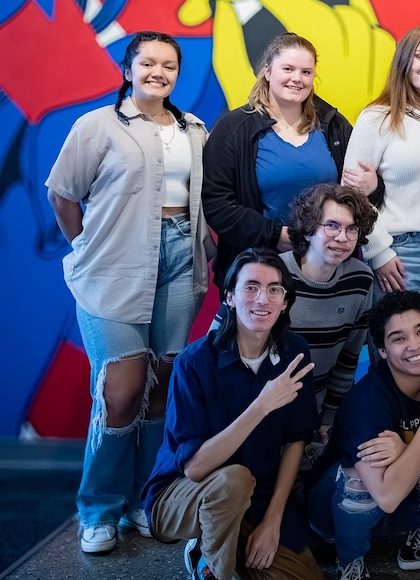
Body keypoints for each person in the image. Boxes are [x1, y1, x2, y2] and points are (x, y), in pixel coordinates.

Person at [46, 31, 211, 554]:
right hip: (114, 266)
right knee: (120, 392)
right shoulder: (96, 126)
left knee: (161, 385)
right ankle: (99, 510)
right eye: (147, 63)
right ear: (128, 69)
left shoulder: (194, 131)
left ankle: (146, 500)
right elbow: (63, 193)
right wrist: (87, 247)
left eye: (168, 65)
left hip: (181, 259)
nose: (157, 72)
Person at [141, 248, 321, 580]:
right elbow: (195, 468)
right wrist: (261, 406)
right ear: (230, 298)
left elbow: (296, 440)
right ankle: (211, 566)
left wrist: (272, 520)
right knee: (233, 480)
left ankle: (217, 545)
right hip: (181, 494)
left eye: (274, 289)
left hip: (258, 496)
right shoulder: (193, 363)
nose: (262, 299)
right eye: (250, 287)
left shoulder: (295, 352)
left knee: (302, 575)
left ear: (284, 303)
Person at [309, 291, 420, 579]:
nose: (414, 345)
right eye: (398, 338)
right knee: (360, 487)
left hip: (397, 495)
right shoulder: (369, 399)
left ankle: (419, 528)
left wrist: (406, 450)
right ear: (382, 350)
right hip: (334, 510)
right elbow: (386, 496)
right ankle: (349, 559)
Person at [210, 184, 377, 469]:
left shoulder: (361, 281)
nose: (342, 237)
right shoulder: (269, 275)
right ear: (309, 228)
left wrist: (330, 417)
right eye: (332, 226)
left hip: (309, 420)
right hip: (248, 412)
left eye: (351, 229)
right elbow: (215, 345)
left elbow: (349, 359)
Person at [202, 32, 379, 287]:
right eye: (288, 69)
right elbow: (217, 203)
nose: (297, 78)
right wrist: (275, 236)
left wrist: (374, 185)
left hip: (326, 266)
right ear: (267, 71)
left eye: (306, 72)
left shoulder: (333, 125)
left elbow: (360, 195)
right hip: (258, 266)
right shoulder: (233, 128)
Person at [346, 26, 420, 363]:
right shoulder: (376, 119)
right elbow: (351, 195)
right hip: (399, 252)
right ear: (404, 62)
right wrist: (379, 251)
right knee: (396, 353)